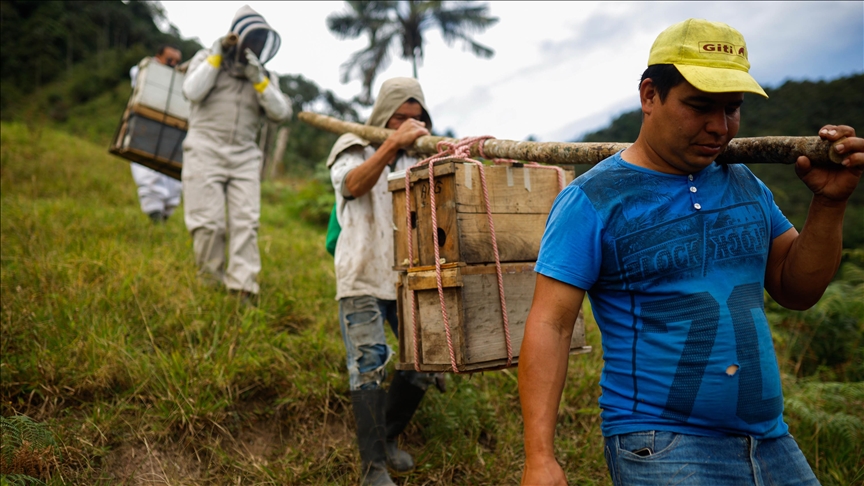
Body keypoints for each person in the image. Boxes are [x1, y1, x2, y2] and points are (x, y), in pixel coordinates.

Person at [518, 18, 863, 486]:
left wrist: (829, 203)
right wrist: (540, 457)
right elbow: (551, 325)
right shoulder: (593, 200)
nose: (719, 127)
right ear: (649, 96)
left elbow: (796, 290)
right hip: (663, 446)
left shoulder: (745, 184)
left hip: (769, 440)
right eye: (699, 106)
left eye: (732, 109)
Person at [327, 77, 443, 486]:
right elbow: (353, 186)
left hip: (406, 278)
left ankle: (388, 438)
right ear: (383, 117)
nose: (411, 125)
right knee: (369, 364)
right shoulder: (351, 146)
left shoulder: (418, 158)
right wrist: (391, 145)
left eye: (418, 118)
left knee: (426, 362)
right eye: (401, 118)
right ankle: (373, 468)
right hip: (361, 275)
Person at [180, 5, 290, 298]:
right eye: (252, 39)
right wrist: (216, 54)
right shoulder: (206, 58)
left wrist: (258, 79)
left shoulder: (264, 75)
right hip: (204, 148)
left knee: (246, 222)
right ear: (237, 36)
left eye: (260, 42)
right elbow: (192, 91)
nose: (255, 46)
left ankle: (243, 289)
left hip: (244, 156)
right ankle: (209, 283)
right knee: (208, 223)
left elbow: (281, 112)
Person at [129, 45, 184, 224]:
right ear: (158, 56)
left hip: (170, 130)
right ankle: (155, 216)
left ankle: (165, 215)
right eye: (169, 60)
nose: (173, 64)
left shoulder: (179, 79)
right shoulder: (144, 70)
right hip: (147, 126)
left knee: (172, 175)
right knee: (148, 172)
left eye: (177, 62)